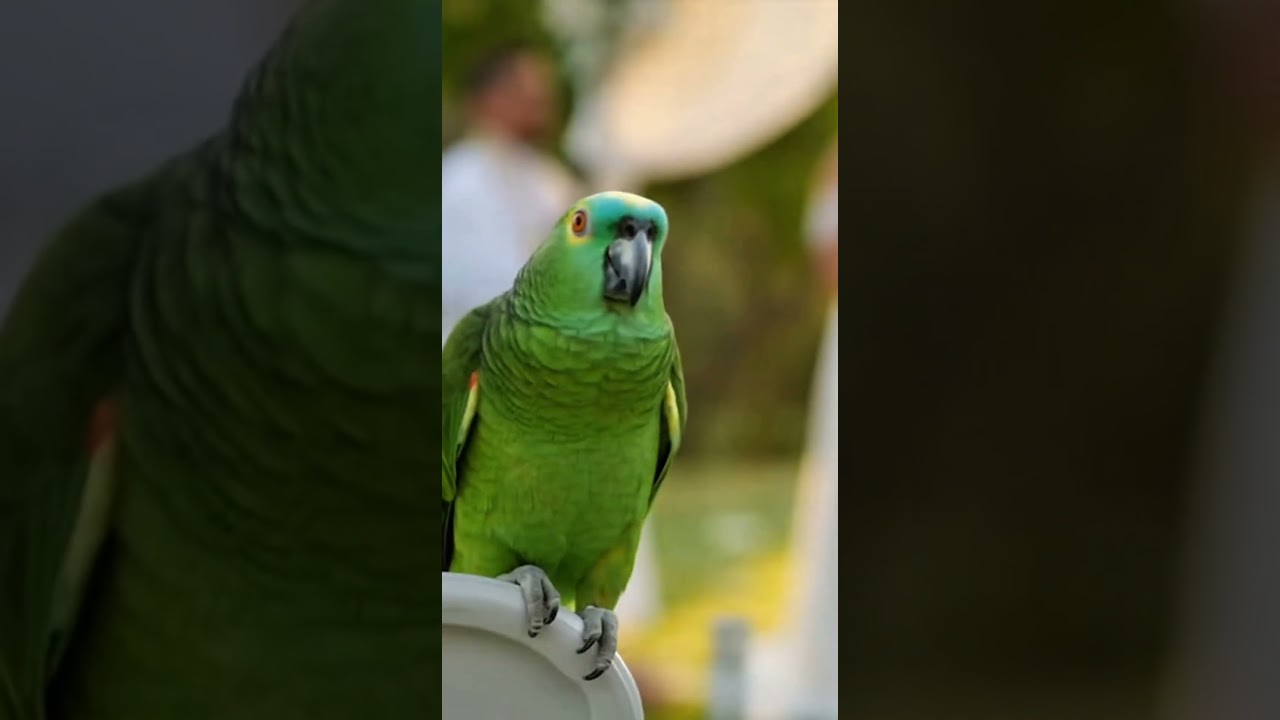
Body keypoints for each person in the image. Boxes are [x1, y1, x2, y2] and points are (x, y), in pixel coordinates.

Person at [441, 42, 582, 345]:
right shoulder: (459, 181)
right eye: (527, 87)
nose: (543, 96)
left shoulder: (552, 180)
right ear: (489, 98)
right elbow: (483, 290)